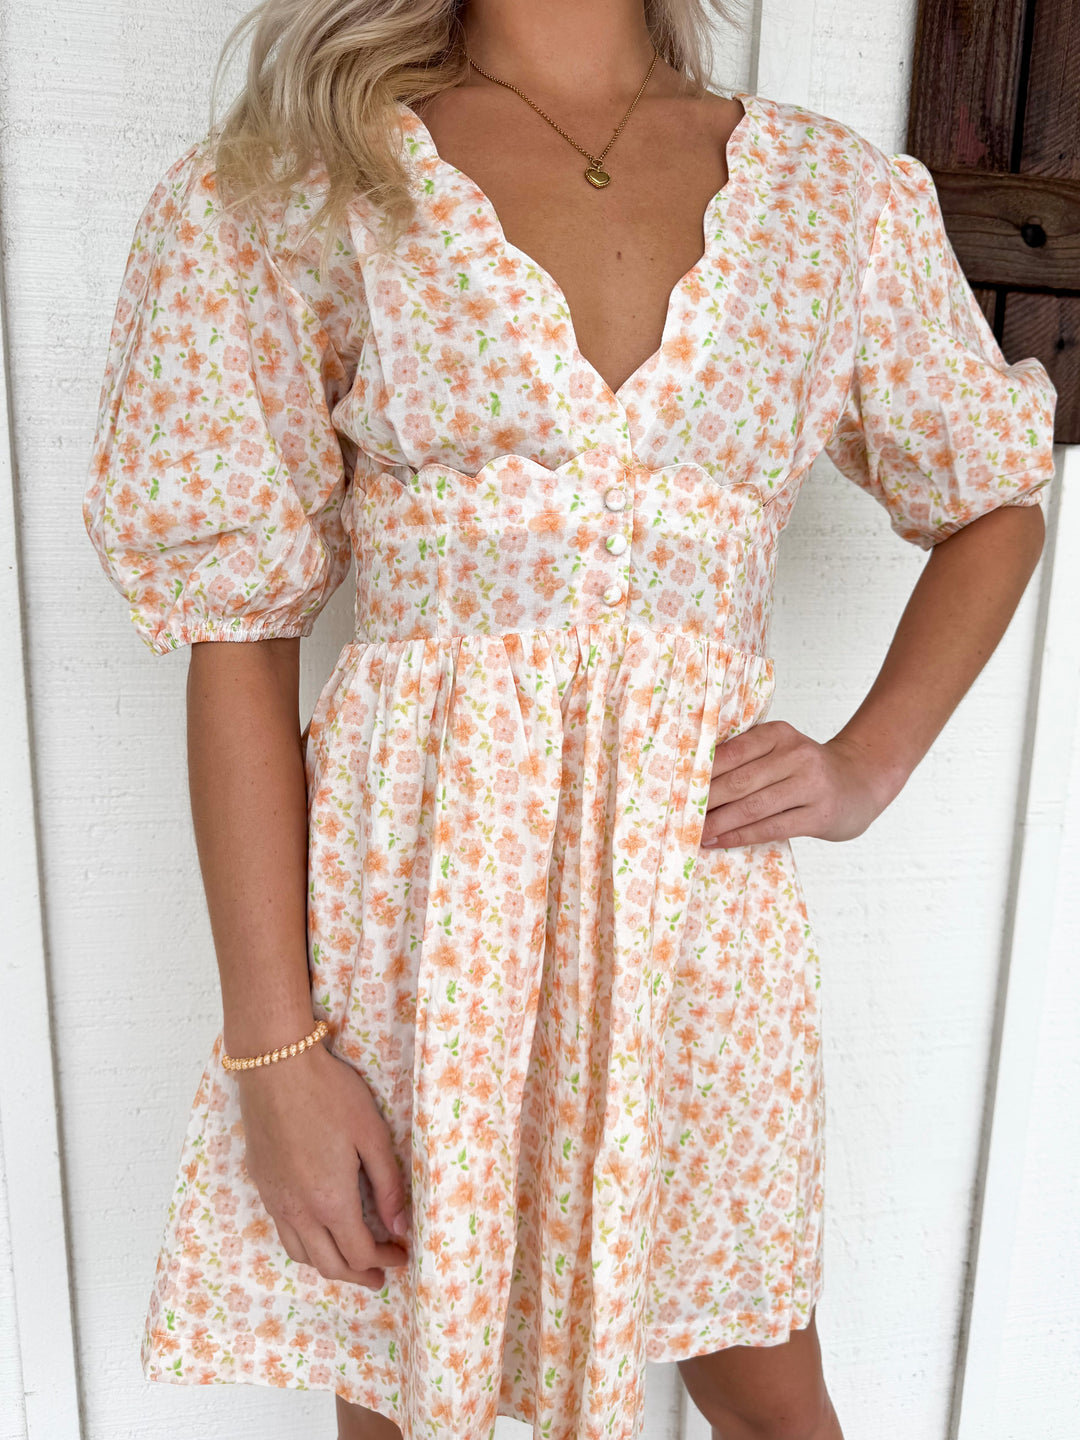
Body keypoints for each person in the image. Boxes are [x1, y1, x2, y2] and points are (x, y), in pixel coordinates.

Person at [81, 0, 1057, 1437]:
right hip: (421, 931)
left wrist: (869, 763)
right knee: (418, 1392)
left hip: (693, 925)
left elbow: (992, 496)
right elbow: (237, 637)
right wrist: (276, 1056)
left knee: (774, 1398)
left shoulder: (833, 201)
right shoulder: (297, 184)